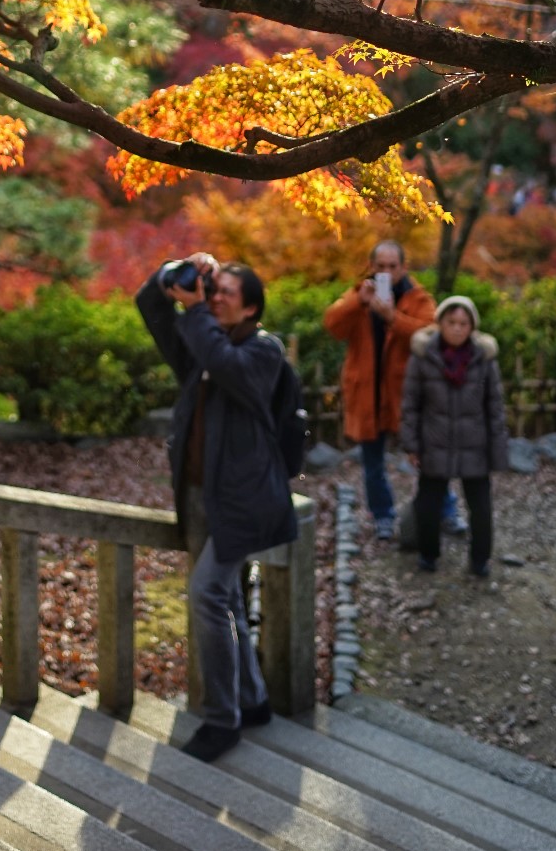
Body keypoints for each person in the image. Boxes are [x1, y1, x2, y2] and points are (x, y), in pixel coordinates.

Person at [136, 252, 298, 763]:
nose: (214, 295)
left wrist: (198, 310)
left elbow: (227, 366)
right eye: (213, 286)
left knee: (206, 593)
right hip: (202, 496)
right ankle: (253, 702)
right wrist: (174, 269)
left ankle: (222, 719)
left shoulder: (263, 352)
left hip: (244, 502)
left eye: (226, 291)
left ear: (250, 309)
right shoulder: (201, 348)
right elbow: (150, 309)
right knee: (225, 599)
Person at [323, 240, 451, 538]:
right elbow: (332, 325)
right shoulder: (359, 295)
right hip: (368, 393)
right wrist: (359, 302)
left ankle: (446, 509)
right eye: (380, 266)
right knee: (373, 463)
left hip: (406, 395)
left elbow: (432, 335)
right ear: (372, 267)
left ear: (404, 267)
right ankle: (382, 516)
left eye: (392, 266)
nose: (386, 272)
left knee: (428, 457)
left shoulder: (417, 298)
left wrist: (393, 317)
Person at [399, 295, 509, 577]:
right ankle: (428, 554)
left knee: (481, 508)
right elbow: (411, 404)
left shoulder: (484, 358)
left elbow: (495, 407)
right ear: (440, 324)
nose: (458, 329)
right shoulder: (424, 356)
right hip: (435, 441)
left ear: (472, 327)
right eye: (451, 322)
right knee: (428, 504)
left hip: (475, 443)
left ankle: (480, 560)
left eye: (464, 323)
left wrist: (498, 452)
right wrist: (412, 444)